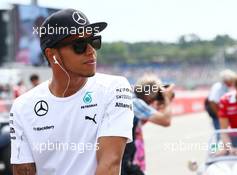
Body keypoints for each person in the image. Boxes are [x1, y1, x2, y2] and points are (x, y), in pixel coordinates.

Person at [10, 9, 134, 175]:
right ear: (52, 55)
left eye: (94, 41)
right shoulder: (21, 107)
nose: (91, 50)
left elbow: (109, 166)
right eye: (80, 45)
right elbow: (23, 171)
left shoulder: (115, 88)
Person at [121, 74, 174, 175]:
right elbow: (166, 121)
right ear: (148, 96)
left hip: (126, 156)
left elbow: (143, 120)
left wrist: (160, 103)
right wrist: (166, 98)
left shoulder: (129, 98)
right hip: (124, 159)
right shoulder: (135, 102)